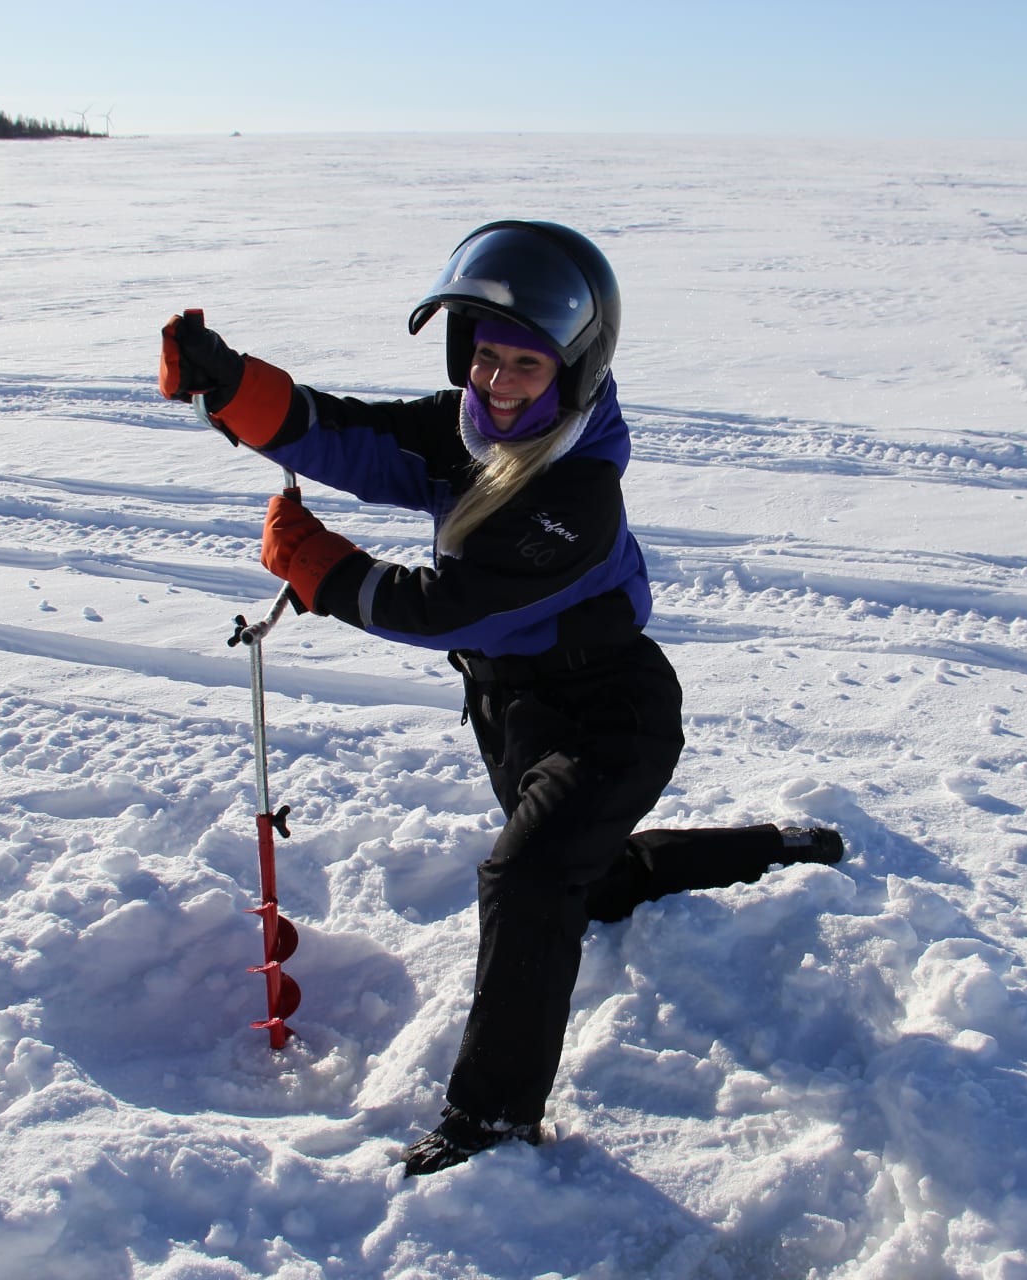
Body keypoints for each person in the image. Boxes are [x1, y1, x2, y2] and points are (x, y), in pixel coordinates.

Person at [159, 220, 844, 1176]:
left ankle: (492, 1124)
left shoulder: (577, 491)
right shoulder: (471, 429)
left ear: (571, 369)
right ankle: (775, 846)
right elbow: (346, 434)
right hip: (514, 711)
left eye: (526, 364)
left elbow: (443, 610)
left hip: (612, 717)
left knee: (528, 880)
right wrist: (234, 390)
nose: (496, 382)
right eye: (485, 356)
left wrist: (322, 570)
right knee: (585, 879)